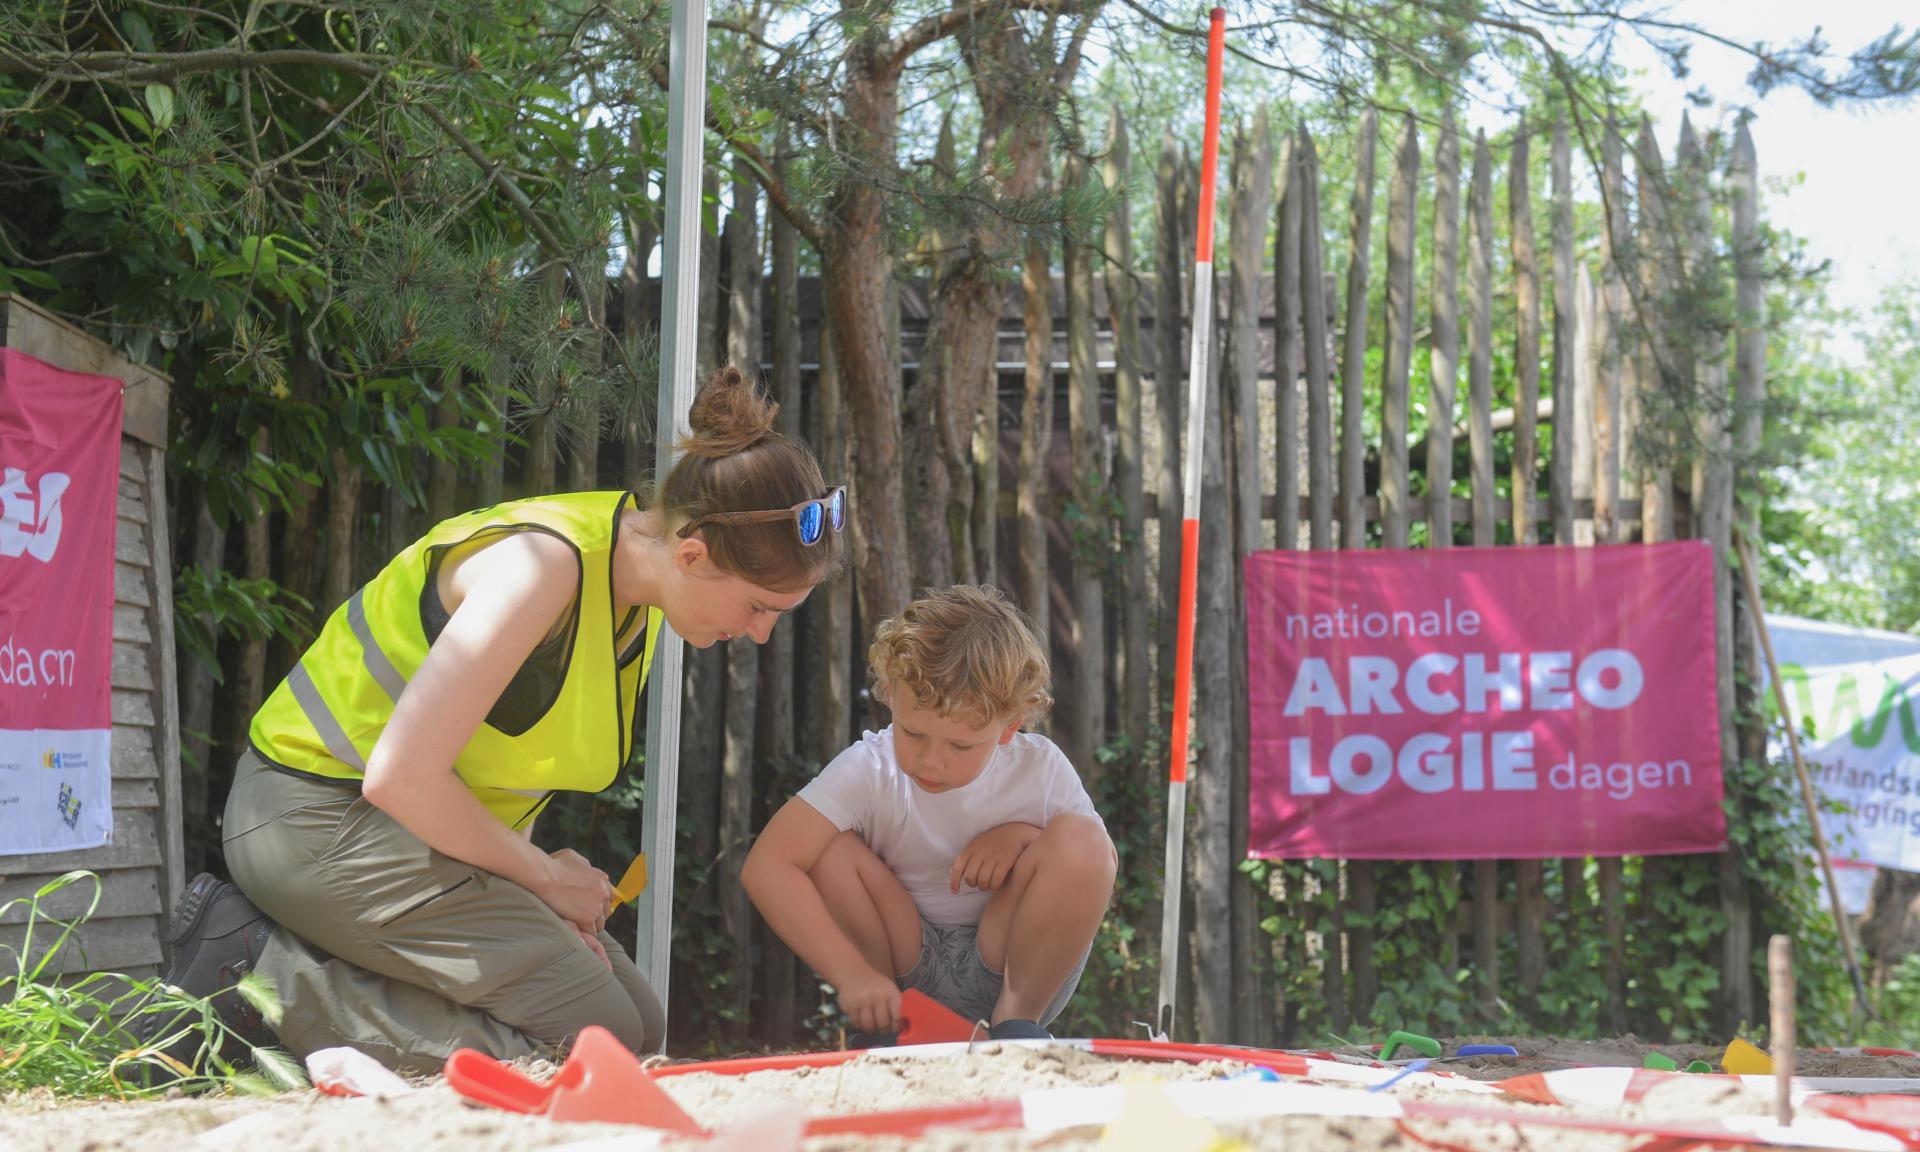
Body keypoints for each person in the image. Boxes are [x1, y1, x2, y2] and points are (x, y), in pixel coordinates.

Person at [150, 366, 843, 1073]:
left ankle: (312, 983)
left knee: (639, 1018)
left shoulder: (645, 586)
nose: (761, 634)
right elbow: (401, 776)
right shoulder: (538, 569)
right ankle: (249, 970)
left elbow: (505, 761)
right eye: (760, 608)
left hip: (391, 831)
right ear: (693, 553)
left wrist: (529, 888)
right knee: (595, 1037)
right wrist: (540, 878)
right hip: (305, 820)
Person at [742, 584, 1116, 1043]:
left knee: (1083, 839)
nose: (931, 761)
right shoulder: (870, 768)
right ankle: (886, 1024)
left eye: (960, 745)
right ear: (890, 696)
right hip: (899, 962)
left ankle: (1016, 1028)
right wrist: (852, 974)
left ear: (1009, 726)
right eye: (913, 734)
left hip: (1010, 966)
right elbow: (768, 865)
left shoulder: (1038, 768)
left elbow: (1091, 866)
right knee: (822, 845)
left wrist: (1022, 837)